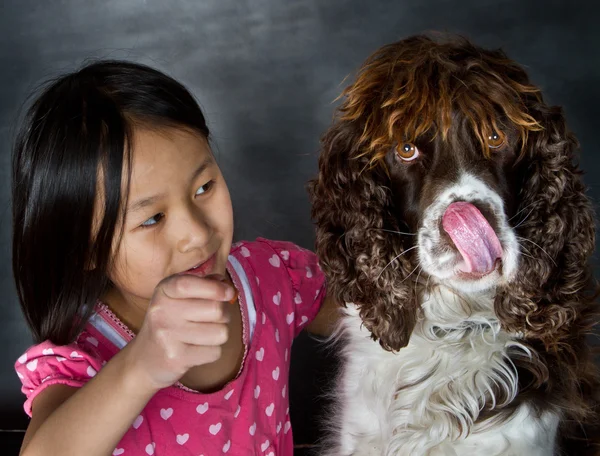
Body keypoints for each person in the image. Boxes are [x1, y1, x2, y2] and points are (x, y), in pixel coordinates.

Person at [13, 60, 338, 456]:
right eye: (152, 218)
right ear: (86, 249)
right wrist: (141, 366)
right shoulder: (85, 355)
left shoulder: (271, 278)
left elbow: (367, 309)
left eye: (204, 187)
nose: (197, 234)